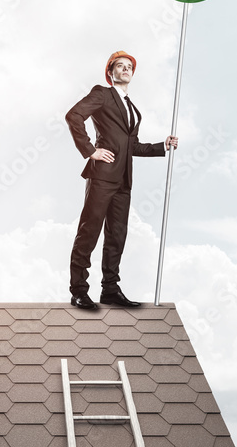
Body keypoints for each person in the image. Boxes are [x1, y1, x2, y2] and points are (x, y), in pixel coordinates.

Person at [65, 50, 179, 309]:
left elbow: (132, 146)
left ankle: (110, 290)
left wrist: (163, 145)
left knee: (117, 235)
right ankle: (79, 290)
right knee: (89, 232)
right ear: (110, 72)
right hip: (102, 176)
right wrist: (90, 151)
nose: (125, 69)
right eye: (120, 66)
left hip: (124, 180)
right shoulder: (102, 94)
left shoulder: (132, 108)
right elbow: (73, 116)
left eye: (129, 66)